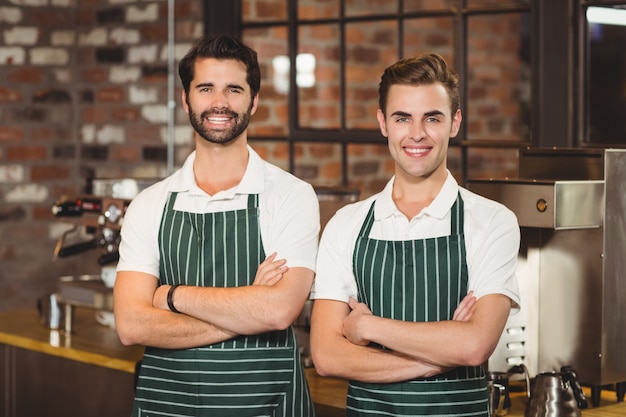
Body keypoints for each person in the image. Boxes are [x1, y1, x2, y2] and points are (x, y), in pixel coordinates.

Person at [114, 34, 319, 417]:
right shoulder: (150, 204)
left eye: (234, 90)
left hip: (269, 405)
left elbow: (278, 312)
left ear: (254, 101)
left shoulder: (291, 195)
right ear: (186, 98)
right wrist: (246, 313)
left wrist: (171, 297)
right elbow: (131, 324)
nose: (219, 103)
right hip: (167, 406)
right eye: (206, 88)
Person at [309, 53, 520, 416]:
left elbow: (473, 347)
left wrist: (369, 327)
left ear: (455, 122)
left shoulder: (492, 221)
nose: (417, 134)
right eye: (402, 117)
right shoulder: (346, 225)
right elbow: (327, 356)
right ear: (383, 123)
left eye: (432, 118)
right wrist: (439, 356)